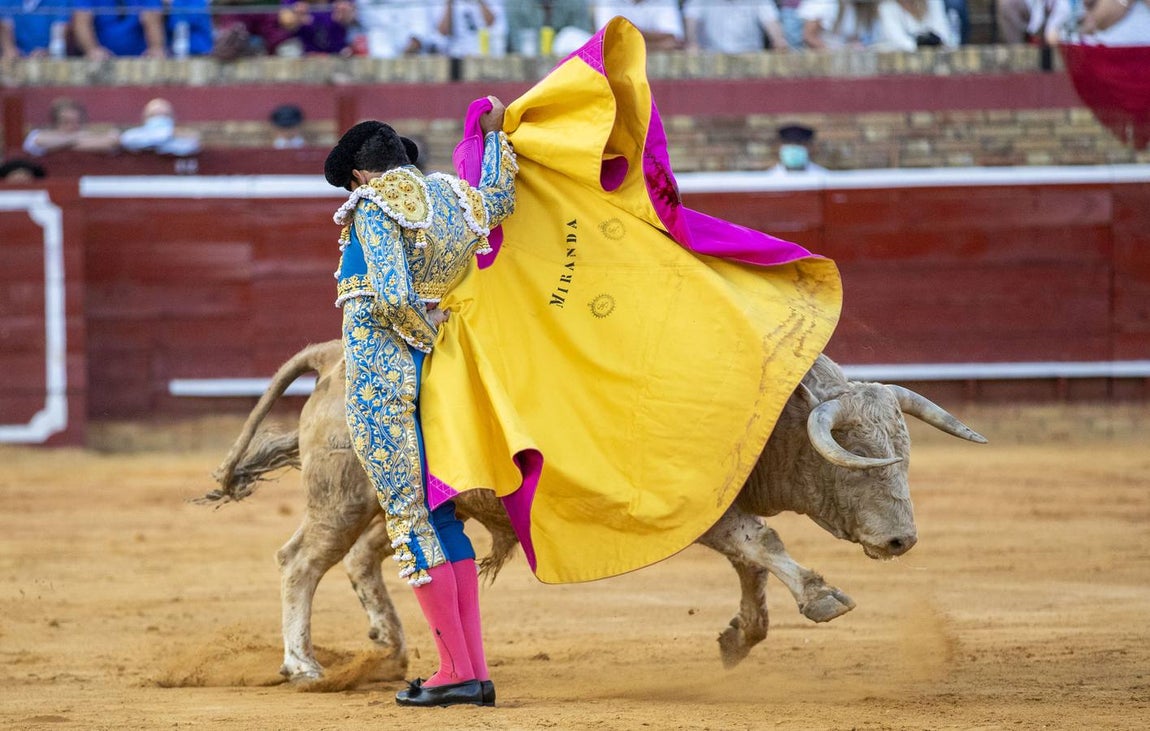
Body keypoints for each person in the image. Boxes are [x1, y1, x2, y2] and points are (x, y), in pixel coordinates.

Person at [323, 97, 517, 707]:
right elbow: (500, 194)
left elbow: (389, 296)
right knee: (442, 517)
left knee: (411, 521)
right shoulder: (454, 198)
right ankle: (472, 669)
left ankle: (455, 673)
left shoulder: (373, 206)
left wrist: (420, 332)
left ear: (360, 174)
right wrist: (497, 135)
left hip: (385, 379)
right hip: (441, 380)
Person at [23, 97, 121, 157]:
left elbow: (112, 140)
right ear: (56, 123)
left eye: (76, 121)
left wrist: (60, 144)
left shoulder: (87, 134)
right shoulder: (39, 136)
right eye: (66, 122)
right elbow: (36, 140)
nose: (72, 126)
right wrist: (77, 138)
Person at [682, 0, 790, 53]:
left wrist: (778, 40)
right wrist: (692, 42)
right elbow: (691, 19)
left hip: (750, 58)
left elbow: (771, 21)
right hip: (710, 59)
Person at [72, 0, 167, 58]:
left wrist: (156, 48)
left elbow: (153, 20)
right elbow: (81, 22)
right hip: (102, 60)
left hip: (141, 58)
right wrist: (92, 50)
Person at [119, 98, 202, 157]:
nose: (159, 119)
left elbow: (190, 146)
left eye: (164, 115)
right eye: (154, 115)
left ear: (172, 118)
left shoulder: (181, 138)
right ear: (145, 118)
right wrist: (167, 134)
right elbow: (127, 140)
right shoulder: (134, 135)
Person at [505, 0, 593, 55]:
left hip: (567, 64)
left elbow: (583, 39)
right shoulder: (515, 3)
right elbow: (516, 42)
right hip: (529, 62)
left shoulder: (575, 2)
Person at [353, 0, 437, 57]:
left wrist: (399, 62)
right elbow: (362, 25)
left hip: (412, 62)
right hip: (376, 64)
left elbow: (419, 34)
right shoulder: (365, 3)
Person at [592, 0, 685, 50]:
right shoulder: (607, 2)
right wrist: (659, 45)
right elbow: (607, 42)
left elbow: (674, 40)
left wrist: (625, 32)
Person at [431, 0, 505, 57]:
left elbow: (491, 23)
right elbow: (443, 31)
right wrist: (450, 2)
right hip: (455, 55)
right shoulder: (442, 3)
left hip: (484, 54)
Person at [874, 0, 957, 50]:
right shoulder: (886, 7)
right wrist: (920, 44)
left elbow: (943, 34)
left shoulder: (933, 2)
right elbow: (899, 41)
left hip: (936, 56)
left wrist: (933, 41)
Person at [0, 0, 71, 58]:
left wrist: (48, 52)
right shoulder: (6, 2)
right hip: (16, 59)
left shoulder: (58, 2)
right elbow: (5, 28)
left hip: (47, 60)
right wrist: (9, 49)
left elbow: (58, 38)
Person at [798, 0, 882, 49]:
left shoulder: (861, 8)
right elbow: (809, 36)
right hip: (825, 61)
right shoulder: (824, 4)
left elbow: (853, 39)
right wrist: (833, 53)